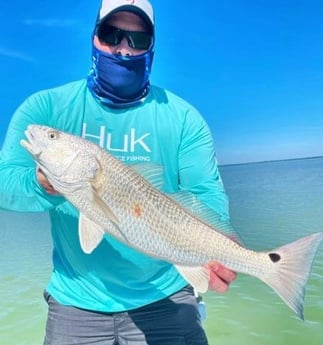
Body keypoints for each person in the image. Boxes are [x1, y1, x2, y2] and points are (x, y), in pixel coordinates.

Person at [0, 0, 236, 344]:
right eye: (111, 35)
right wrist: (42, 182)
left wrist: (219, 250)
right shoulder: (46, 108)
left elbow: (206, 194)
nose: (123, 50)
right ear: (94, 37)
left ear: (151, 49)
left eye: (137, 41)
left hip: (166, 297)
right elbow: (4, 183)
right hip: (75, 304)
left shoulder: (183, 118)